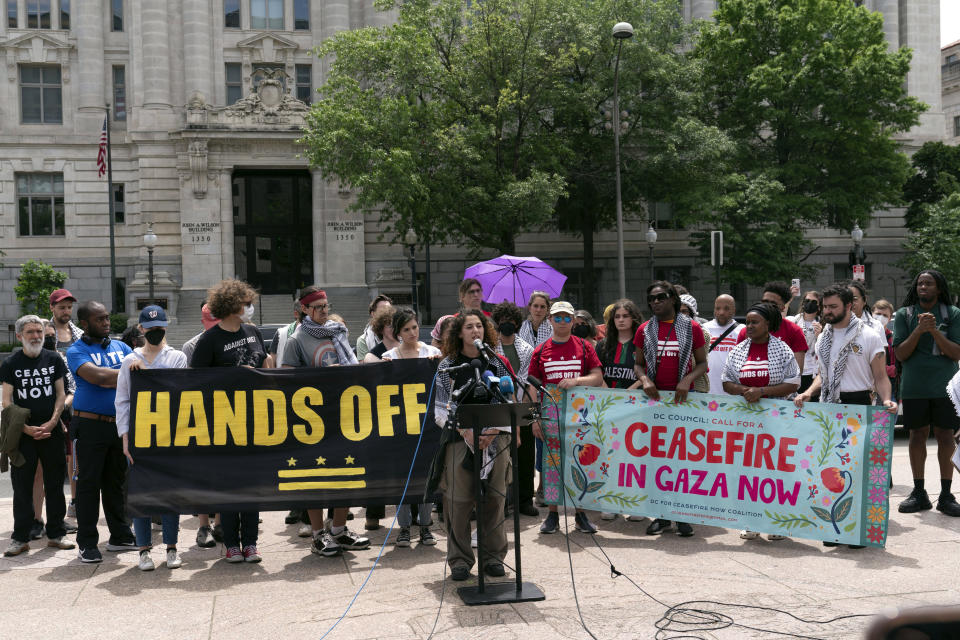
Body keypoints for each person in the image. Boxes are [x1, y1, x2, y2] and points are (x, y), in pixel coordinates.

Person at [281, 287, 371, 557]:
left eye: (325, 305)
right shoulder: (297, 339)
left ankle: (339, 529)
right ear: (305, 310)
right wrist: (321, 376)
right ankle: (319, 534)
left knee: (347, 471)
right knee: (315, 477)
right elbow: (287, 378)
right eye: (318, 307)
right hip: (313, 419)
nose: (324, 310)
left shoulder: (337, 331)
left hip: (344, 412)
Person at [191, 279, 269, 562]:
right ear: (231, 306)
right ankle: (232, 544)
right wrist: (233, 377)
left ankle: (251, 543)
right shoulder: (210, 339)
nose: (249, 308)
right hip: (223, 421)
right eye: (245, 303)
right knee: (229, 484)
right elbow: (196, 380)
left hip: (255, 419)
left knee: (252, 483)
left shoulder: (253, 331)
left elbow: (264, 365)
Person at [433, 310, 515, 581]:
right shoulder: (448, 365)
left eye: (479, 326)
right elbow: (440, 409)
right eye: (469, 326)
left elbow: (510, 403)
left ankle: (493, 558)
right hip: (460, 438)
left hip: (496, 438)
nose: (475, 331)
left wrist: (492, 432)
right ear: (459, 333)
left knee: (495, 499)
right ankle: (459, 561)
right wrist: (467, 432)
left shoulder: (497, 362)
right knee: (458, 502)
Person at [114, 306, 187, 570]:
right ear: (141, 329)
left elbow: (179, 390)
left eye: (160, 328)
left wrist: (145, 372)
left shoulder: (176, 357)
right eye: (151, 328)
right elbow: (122, 400)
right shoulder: (127, 360)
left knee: (169, 493)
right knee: (142, 492)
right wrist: (124, 435)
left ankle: (171, 547)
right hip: (140, 433)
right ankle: (143, 549)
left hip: (170, 433)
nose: (156, 332)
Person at [634, 282, 708, 537]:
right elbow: (638, 365)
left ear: (673, 300)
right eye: (651, 298)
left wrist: (687, 380)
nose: (655, 302)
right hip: (654, 402)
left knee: (682, 460)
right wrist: (645, 380)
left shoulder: (692, 327)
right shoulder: (644, 330)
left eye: (661, 297)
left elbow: (702, 363)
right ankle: (663, 516)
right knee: (658, 461)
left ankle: (682, 515)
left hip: (683, 401)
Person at [723, 301, 800, 541]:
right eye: (747, 322)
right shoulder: (737, 350)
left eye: (755, 322)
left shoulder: (783, 349)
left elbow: (794, 383)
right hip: (746, 422)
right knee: (748, 471)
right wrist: (744, 389)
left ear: (768, 324)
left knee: (777, 473)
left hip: (777, 424)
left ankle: (778, 522)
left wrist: (762, 392)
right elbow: (726, 381)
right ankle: (750, 521)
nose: (750, 326)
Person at [67, 301, 135, 563]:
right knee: (88, 485)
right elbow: (98, 377)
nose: (106, 323)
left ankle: (120, 536)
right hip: (89, 425)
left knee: (116, 484)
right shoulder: (76, 350)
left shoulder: (122, 347)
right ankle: (87, 542)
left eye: (107, 318)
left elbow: (139, 370)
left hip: (119, 424)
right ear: (84, 323)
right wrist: (130, 371)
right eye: (100, 319)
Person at [1, 315, 73, 556]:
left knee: (54, 485)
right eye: (30, 332)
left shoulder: (54, 359)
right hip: (23, 435)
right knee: (22, 488)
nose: (36, 336)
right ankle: (20, 538)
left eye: (39, 332)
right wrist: (25, 428)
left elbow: (61, 394)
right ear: (20, 336)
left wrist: (52, 423)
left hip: (50, 433)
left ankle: (56, 534)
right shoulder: (11, 363)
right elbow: (6, 401)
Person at [530, 301, 603, 535]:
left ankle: (581, 515)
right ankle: (553, 515)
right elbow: (532, 387)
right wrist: (535, 418)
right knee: (551, 464)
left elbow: (597, 377)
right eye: (557, 317)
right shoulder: (540, 350)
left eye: (566, 318)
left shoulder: (584, 346)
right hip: (550, 412)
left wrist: (576, 381)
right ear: (549, 320)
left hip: (580, 411)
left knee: (581, 461)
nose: (562, 322)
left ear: (573, 321)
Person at [893, 270, 960, 517]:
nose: (923, 286)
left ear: (939, 288)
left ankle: (946, 494)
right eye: (920, 283)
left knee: (946, 437)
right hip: (914, 388)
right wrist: (919, 330)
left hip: (946, 388)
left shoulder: (953, 314)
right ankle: (919, 492)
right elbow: (900, 354)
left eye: (928, 283)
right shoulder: (904, 314)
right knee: (916, 436)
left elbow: (956, 353)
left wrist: (933, 331)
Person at [380, 307, 441, 546]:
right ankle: (404, 527)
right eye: (406, 329)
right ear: (397, 333)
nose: (413, 332)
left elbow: (443, 383)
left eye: (415, 327)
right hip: (400, 426)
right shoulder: (390, 357)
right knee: (402, 476)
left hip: (427, 425)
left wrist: (436, 364)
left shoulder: (432, 352)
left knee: (427, 475)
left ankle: (426, 526)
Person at [595, 299, 644, 522]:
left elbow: (647, 374)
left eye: (625, 316)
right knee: (609, 455)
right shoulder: (604, 345)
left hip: (636, 408)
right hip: (608, 407)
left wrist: (627, 394)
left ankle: (635, 503)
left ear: (634, 318)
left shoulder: (643, 345)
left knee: (634, 456)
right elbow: (598, 374)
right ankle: (610, 500)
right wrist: (612, 395)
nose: (621, 320)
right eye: (617, 317)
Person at [490, 301, 536, 516]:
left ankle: (525, 500)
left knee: (526, 455)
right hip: (497, 407)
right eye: (502, 322)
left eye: (510, 322)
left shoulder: (527, 349)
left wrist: (525, 409)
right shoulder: (490, 348)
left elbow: (527, 381)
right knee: (500, 456)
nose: (506, 325)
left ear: (517, 324)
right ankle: (502, 502)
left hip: (522, 405)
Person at [737, 281, 808, 371]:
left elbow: (797, 372)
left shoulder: (794, 331)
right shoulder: (746, 331)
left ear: (783, 307)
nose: (767, 306)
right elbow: (737, 367)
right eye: (765, 301)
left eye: (773, 303)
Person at [703, 294, 742, 397]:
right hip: (707, 392)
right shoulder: (704, 329)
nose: (721, 312)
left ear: (734, 310)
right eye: (718, 308)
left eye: (726, 309)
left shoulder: (743, 330)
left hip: (734, 394)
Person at [791, 291, 823, 396]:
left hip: (813, 372)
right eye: (807, 301)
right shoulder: (794, 320)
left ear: (819, 307)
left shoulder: (823, 323)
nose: (810, 304)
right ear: (803, 303)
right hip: (796, 370)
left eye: (814, 302)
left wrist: (820, 336)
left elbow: (826, 349)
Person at [679, 295, 712, 393]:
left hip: (697, 387)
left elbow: (694, 363)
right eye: (678, 311)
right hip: (673, 387)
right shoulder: (670, 332)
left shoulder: (702, 333)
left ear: (692, 313)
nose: (680, 315)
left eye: (684, 311)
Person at [872, 299, 898, 394]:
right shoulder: (864, 335)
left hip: (890, 385)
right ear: (872, 314)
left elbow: (897, 366)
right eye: (878, 314)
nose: (880, 318)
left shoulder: (893, 339)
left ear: (890, 318)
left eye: (885, 315)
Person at [356, 294, 393, 360]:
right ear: (373, 314)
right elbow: (363, 367)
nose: (387, 312)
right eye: (383, 309)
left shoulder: (401, 335)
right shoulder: (363, 340)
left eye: (389, 309)